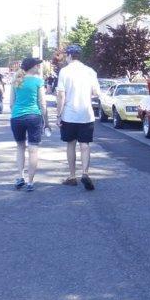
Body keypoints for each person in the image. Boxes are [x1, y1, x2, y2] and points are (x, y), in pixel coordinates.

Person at [56, 44, 100, 190]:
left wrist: (58, 115)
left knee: (71, 144)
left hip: (69, 114)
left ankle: (72, 176)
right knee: (85, 144)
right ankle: (85, 173)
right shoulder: (90, 71)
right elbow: (96, 92)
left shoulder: (64, 71)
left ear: (69, 56)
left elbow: (61, 95)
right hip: (86, 114)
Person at [10, 57, 47, 192]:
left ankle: (20, 176)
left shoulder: (16, 80)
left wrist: (16, 112)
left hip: (17, 117)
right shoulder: (38, 81)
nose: (38, 68)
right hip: (33, 116)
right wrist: (46, 121)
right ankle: (30, 182)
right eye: (37, 65)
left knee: (20, 147)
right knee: (33, 149)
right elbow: (42, 103)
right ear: (31, 67)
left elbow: (11, 103)